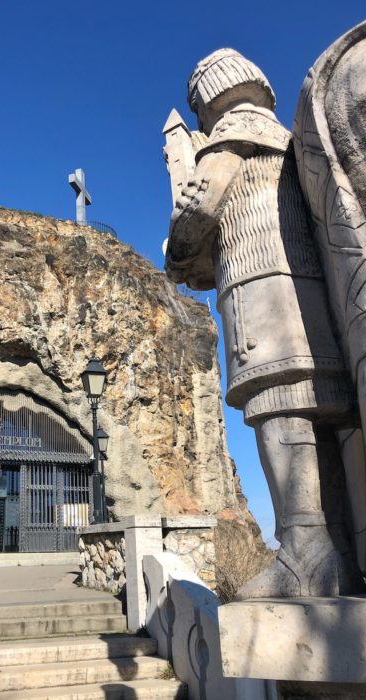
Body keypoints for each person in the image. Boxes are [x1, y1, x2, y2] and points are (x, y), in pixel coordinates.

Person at [165, 49, 363, 598]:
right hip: (321, 302)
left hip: (261, 291)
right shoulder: (294, 142)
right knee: (327, 412)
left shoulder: (226, 142)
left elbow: (197, 215)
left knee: (278, 407)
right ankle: (340, 555)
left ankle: (304, 550)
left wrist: (176, 249)